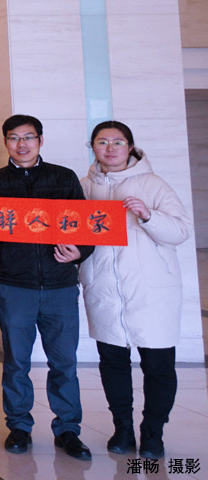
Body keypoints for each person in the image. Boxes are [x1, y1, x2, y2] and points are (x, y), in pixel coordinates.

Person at [0, 114, 94, 460]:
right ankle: (19, 427)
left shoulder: (63, 178)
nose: (21, 144)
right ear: (5, 142)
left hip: (60, 286)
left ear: (40, 140)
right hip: (15, 286)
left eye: (28, 137)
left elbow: (85, 227)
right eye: (14, 137)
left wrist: (80, 252)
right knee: (16, 362)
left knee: (64, 362)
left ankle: (68, 429)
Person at [78, 121, 191, 460]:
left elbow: (180, 231)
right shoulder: (84, 187)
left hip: (151, 291)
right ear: (92, 147)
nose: (110, 148)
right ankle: (123, 429)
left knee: (158, 365)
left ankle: (153, 433)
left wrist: (148, 215)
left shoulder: (153, 184)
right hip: (104, 288)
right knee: (112, 362)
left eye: (118, 142)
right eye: (102, 142)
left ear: (130, 147)